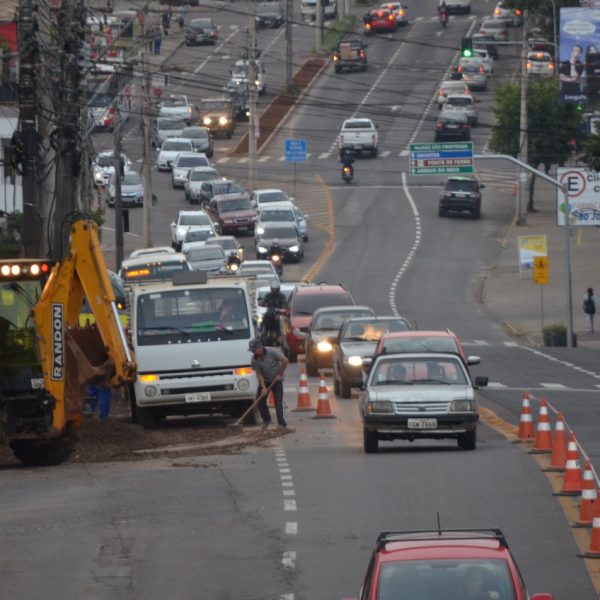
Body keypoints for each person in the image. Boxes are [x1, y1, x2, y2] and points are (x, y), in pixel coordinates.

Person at [248, 338, 289, 430]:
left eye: (254, 350)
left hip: (277, 380)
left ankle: (282, 424)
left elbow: (285, 361)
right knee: (260, 401)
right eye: (252, 350)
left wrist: (280, 374)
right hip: (265, 380)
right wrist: (263, 387)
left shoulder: (272, 351)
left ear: (260, 347)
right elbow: (258, 373)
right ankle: (266, 420)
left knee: (278, 402)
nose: (253, 352)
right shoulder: (254, 359)